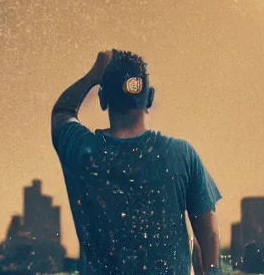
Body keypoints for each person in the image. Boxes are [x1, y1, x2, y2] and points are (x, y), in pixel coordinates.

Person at [51, 49, 223, 275]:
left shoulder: (84, 152)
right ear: (149, 98)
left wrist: (93, 75)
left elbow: (61, 112)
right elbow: (208, 234)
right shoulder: (181, 155)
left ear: (103, 100)